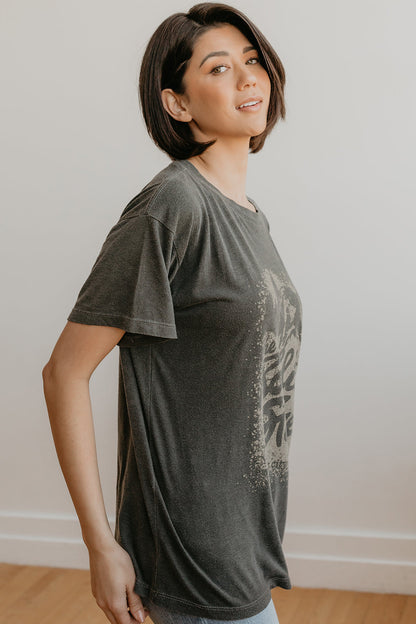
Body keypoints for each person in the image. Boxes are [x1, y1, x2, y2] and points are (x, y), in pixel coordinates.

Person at [42, 3, 303, 624]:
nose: (248, 77)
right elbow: (64, 373)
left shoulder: (250, 217)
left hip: (245, 543)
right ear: (177, 104)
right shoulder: (172, 208)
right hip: (192, 556)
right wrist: (100, 545)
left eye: (252, 59)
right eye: (219, 67)